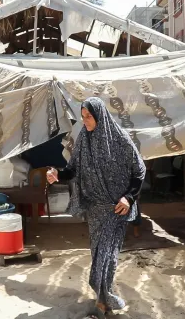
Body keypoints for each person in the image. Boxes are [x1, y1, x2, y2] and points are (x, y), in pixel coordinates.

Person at [47, 97, 145, 318]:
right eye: (82, 117)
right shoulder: (84, 138)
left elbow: (139, 170)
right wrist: (57, 174)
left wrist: (128, 198)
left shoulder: (119, 139)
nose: (85, 121)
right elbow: (73, 170)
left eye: (88, 117)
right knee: (98, 254)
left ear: (100, 115)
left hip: (115, 209)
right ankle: (105, 297)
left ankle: (103, 302)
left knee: (107, 255)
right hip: (95, 210)